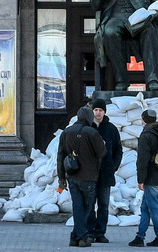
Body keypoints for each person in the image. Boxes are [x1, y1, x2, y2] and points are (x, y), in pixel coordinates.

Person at [58, 106, 106, 247]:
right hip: (89, 176)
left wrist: (61, 178)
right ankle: (82, 237)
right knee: (86, 208)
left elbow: (60, 156)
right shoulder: (92, 133)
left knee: (77, 207)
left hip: (72, 176)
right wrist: (103, 144)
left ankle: (74, 236)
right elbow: (101, 153)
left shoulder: (66, 132)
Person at [129, 109, 158, 248]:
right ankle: (140, 237)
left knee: (153, 209)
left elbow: (143, 160)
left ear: (143, 120)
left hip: (150, 178)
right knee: (145, 207)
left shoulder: (146, 135)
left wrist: (141, 179)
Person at [86, 99, 123, 244]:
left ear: (104, 112)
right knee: (89, 205)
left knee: (103, 205)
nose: (98, 112)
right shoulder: (88, 127)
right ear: (92, 111)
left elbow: (118, 150)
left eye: (100, 110)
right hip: (90, 173)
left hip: (106, 173)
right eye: (95, 110)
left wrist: (113, 166)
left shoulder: (111, 129)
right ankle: (90, 231)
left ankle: (101, 232)